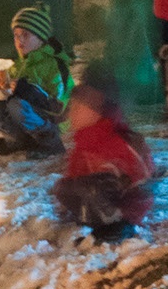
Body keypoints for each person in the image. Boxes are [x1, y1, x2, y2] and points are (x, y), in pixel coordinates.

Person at [52, 72, 153, 238]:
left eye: (78, 108)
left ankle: (115, 227)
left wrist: (130, 214)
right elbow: (74, 175)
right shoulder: (83, 142)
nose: (71, 114)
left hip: (124, 212)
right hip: (99, 206)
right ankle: (92, 223)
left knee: (90, 187)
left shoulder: (118, 141)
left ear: (96, 111)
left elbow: (143, 185)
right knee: (65, 187)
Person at [0, 4, 73, 155]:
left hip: (54, 121)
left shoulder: (53, 65)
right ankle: (21, 140)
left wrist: (27, 89)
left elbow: (57, 104)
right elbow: (8, 98)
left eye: (26, 35)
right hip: (29, 114)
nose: (19, 39)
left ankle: (49, 142)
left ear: (41, 39)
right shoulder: (19, 66)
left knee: (16, 106)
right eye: (16, 34)